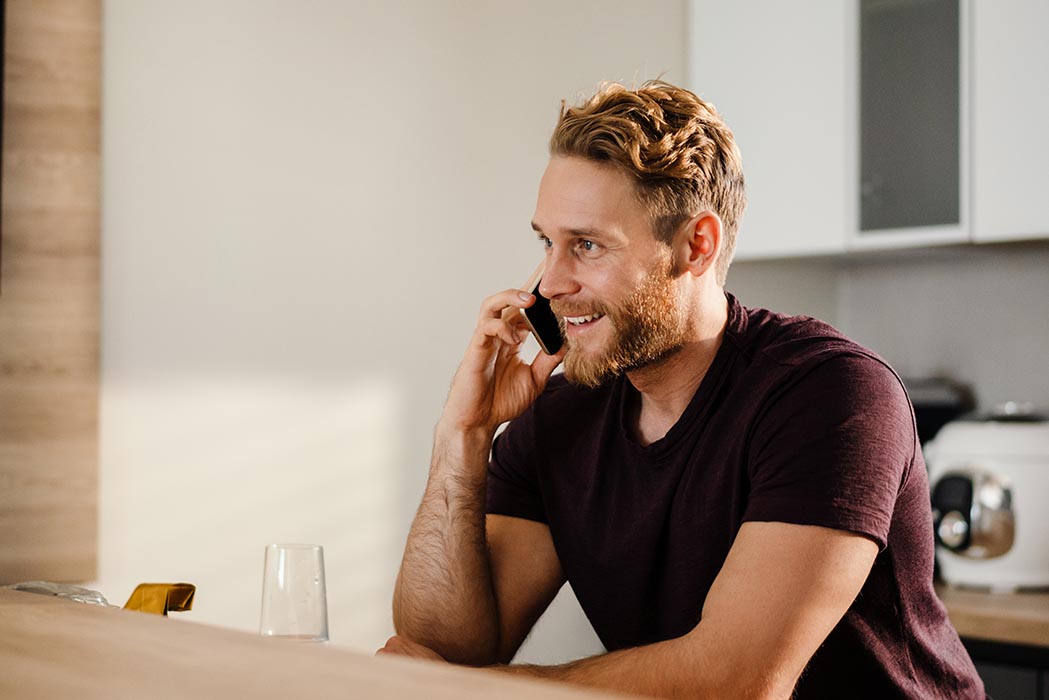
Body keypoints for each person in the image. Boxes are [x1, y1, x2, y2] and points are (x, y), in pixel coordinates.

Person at [378, 80, 985, 699]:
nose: (551, 283)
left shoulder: (831, 396)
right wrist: (464, 434)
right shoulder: (563, 414)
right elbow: (444, 644)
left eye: (586, 246)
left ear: (697, 245)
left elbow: (736, 681)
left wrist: (479, 689)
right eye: (547, 243)